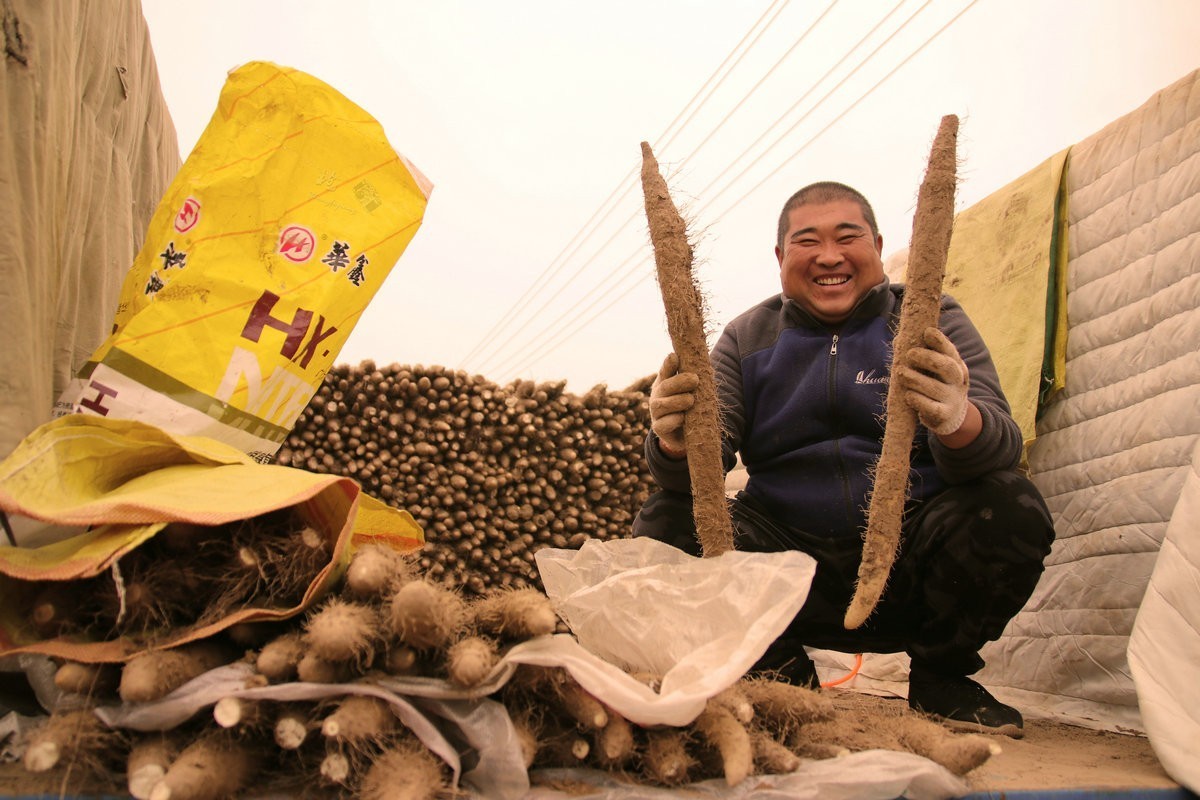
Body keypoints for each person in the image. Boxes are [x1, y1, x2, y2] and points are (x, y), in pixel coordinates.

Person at [634, 181, 1055, 738]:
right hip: (789, 577)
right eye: (807, 241)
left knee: (1010, 504)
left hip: (909, 568)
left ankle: (942, 678)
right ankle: (780, 676)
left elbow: (1000, 443)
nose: (829, 256)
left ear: (878, 246)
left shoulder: (930, 319)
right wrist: (673, 439)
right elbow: (698, 470)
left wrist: (957, 418)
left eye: (847, 237)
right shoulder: (746, 338)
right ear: (781, 257)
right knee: (666, 522)